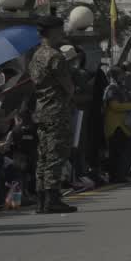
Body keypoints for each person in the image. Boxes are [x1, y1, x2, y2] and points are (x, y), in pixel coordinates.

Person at [27, 16, 78, 214]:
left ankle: (41, 198)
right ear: (52, 32)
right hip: (56, 110)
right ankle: (53, 198)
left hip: (41, 110)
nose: (62, 33)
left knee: (43, 155)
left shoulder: (36, 55)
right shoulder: (55, 56)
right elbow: (69, 87)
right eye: (60, 29)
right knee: (56, 154)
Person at [103, 68, 131, 184]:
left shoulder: (122, 88)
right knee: (115, 153)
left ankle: (121, 175)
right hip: (115, 126)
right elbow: (114, 106)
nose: (123, 78)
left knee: (124, 152)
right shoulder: (111, 89)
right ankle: (115, 177)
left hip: (124, 126)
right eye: (120, 75)